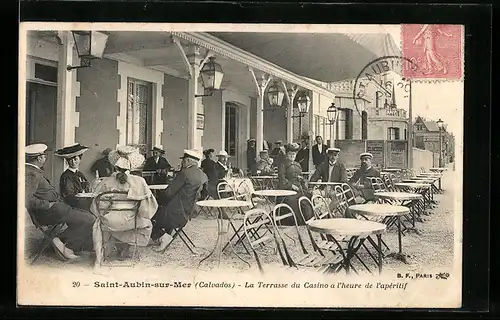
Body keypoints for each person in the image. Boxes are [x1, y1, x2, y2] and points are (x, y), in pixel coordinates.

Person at [24, 143, 95, 260]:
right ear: (39, 158)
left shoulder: (33, 171)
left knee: (86, 217)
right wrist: (48, 205)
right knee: (90, 219)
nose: (45, 159)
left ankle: (65, 244)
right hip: (49, 212)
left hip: (56, 209)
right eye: (44, 156)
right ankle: (61, 241)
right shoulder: (31, 173)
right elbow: (26, 199)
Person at [90, 145, 158, 264]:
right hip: (131, 221)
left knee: (100, 223)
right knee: (147, 223)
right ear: (131, 165)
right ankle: (128, 247)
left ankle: (109, 251)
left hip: (110, 222)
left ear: (115, 164)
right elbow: (148, 209)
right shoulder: (139, 181)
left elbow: (96, 207)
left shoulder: (106, 181)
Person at [151, 149, 208, 252]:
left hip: (176, 213)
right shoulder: (203, 175)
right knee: (165, 207)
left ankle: (163, 237)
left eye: (183, 160)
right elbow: (204, 194)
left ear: (188, 161)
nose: (182, 163)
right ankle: (166, 235)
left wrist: (156, 197)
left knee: (150, 215)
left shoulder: (184, 173)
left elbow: (168, 193)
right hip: (189, 212)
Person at [276, 143, 313, 226]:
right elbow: (281, 179)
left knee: (307, 195)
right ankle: (298, 221)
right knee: (293, 200)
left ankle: (308, 218)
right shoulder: (282, 164)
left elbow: (302, 179)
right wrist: (291, 185)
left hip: (298, 189)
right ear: (287, 154)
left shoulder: (298, 164)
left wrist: (303, 182)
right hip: (286, 191)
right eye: (290, 154)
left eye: (294, 154)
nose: (292, 155)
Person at [56, 143, 92, 211]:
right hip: (73, 207)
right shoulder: (66, 176)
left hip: (82, 205)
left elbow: (86, 189)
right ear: (67, 161)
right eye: (70, 159)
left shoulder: (80, 174)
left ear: (80, 160)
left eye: (75, 159)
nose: (73, 161)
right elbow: (69, 196)